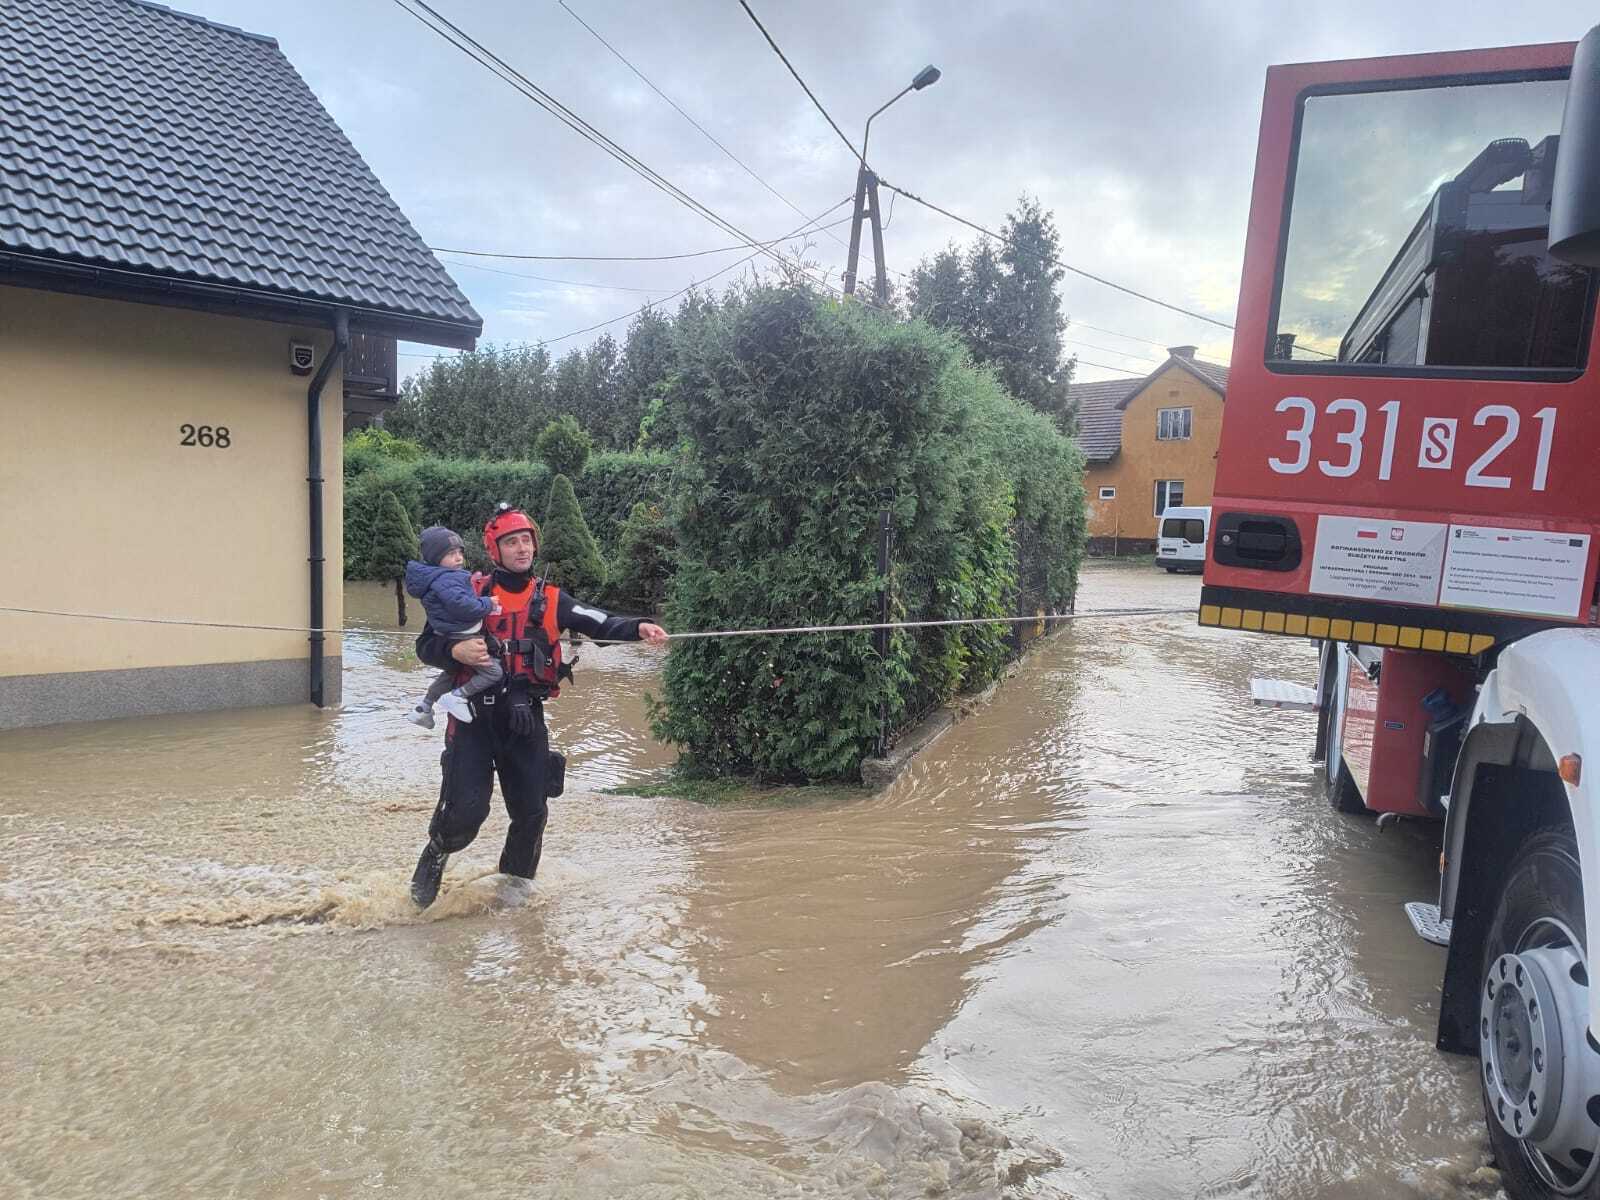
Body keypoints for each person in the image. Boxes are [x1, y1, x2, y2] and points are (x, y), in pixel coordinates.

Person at [408, 503, 669, 908]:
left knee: (531, 814)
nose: (521, 549)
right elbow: (425, 646)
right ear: (495, 550)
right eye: (511, 542)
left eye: (526, 541)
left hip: (524, 721)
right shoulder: (466, 592)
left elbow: (599, 621)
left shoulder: (551, 598)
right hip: (473, 721)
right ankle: (437, 852)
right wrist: (454, 649)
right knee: (465, 816)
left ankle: (514, 891)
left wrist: (638, 627)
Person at [404, 525, 503, 729]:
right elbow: (426, 645)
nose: (458, 558)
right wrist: (453, 650)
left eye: (460, 552)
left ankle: (425, 706)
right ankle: (457, 696)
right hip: (463, 636)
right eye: (451, 554)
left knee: (451, 672)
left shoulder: (438, 580)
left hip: (514, 709)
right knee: (491, 672)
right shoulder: (450, 580)